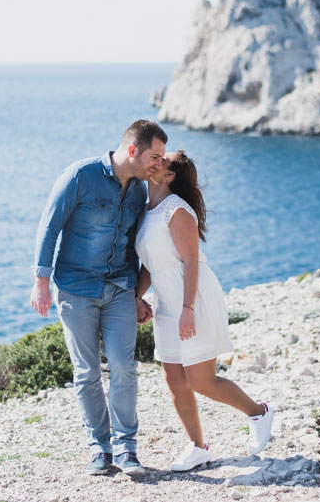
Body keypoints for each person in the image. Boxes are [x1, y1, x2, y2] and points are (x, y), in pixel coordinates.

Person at [30, 120, 167, 476]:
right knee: (86, 371)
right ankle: (99, 448)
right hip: (76, 289)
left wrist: (138, 294)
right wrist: (41, 281)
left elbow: (138, 245)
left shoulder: (139, 191)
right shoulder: (80, 176)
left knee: (125, 366)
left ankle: (126, 448)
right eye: (154, 156)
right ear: (132, 150)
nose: (158, 164)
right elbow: (49, 226)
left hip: (120, 288)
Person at [134, 150, 274, 472]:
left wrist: (187, 309)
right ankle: (198, 447)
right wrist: (135, 297)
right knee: (174, 379)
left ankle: (259, 412)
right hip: (166, 303)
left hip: (193, 300)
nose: (153, 162)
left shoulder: (178, 211)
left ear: (169, 176)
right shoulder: (147, 211)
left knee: (201, 381)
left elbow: (191, 262)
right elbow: (150, 264)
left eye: (161, 161)